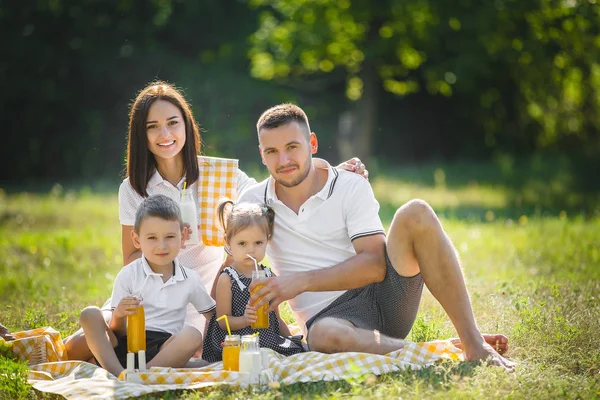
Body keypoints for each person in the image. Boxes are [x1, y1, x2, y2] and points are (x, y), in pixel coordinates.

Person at [64, 81, 366, 361]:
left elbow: (271, 187)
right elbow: (130, 257)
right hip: (149, 290)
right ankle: (120, 351)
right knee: (76, 346)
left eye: (172, 123)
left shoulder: (217, 175)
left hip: (201, 296)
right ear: (141, 135)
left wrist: (329, 172)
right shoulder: (134, 187)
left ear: (187, 126)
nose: (165, 135)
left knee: (173, 346)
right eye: (152, 127)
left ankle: (129, 359)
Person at [239, 103, 514, 370]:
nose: (284, 160)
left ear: (312, 144)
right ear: (262, 155)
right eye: (272, 151)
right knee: (322, 337)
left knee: (416, 212)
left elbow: (374, 264)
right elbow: (232, 259)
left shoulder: (349, 184)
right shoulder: (254, 202)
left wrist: (300, 282)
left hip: (387, 297)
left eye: (292, 147)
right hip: (329, 319)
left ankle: (473, 342)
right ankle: (430, 351)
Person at [79, 194, 216, 377]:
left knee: (192, 335)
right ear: (137, 239)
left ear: (182, 236)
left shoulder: (190, 279)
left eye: (169, 236)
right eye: (152, 238)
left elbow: (214, 317)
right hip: (123, 347)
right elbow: (116, 330)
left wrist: (239, 325)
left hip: (162, 350)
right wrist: (119, 314)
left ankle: (144, 374)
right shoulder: (128, 275)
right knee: (89, 314)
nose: (162, 245)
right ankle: (119, 373)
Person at [202, 200, 304, 363]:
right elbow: (222, 321)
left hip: (265, 335)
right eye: (242, 243)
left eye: (258, 243)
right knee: (261, 348)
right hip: (236, 340)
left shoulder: (268, 275)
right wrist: (244, 320)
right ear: (229, 242)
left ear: (267, 240)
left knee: (293, 348)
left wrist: (292, 339)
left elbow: (275, 317)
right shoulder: (227, 278)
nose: (251, 250)